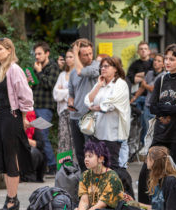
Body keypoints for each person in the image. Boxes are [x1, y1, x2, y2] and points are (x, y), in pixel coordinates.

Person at [137, 44, 176, 204]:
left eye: (172, 59)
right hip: (160, 133)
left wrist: (165, 108)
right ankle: (144, 207)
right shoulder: (161, 80)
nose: (167, 62)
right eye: (166, 58)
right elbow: (152, 106)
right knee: (146, 172)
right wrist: (169, 108)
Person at [0, 38, 34, 210]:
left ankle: (12, 200)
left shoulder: (14, 69)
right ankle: (11, 199)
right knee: (3, 158)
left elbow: (25, 94)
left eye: (0, 49)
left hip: (12, 116)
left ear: (9, 50)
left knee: (11, 158)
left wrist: (25, 117)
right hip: (0, 118)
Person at [84, 57, 130, 169]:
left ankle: (115, 186)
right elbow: (87, 100)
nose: (103, 69)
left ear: (115, 69)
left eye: (106, 66)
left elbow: (112, 103)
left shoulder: (120, 84)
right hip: (98, 131)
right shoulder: (100, 83)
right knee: (98, 165)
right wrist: (99, 85)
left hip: (113, 133)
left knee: (112, 165)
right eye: (102, 66)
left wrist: (97, 107)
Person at [75, 141, 124, 210]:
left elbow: (101, 205)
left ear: (101, 159)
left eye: (90, 156)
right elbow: (84, 200)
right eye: (85, 156)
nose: (86, 159)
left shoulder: (112, 177)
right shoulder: (85, 175)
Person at [68, 39, 100, 171]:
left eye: (90, 53)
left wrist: (75, 53)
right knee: (80, 153)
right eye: (85, 54)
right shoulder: (73, 72)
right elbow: (71, 93)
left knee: (91, 151)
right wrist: (70, 101)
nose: (88, 57)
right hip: (75, 115)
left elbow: (82, 72)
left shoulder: (96, 66)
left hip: (89, 117)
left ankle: (94, 179)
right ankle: (84, 178)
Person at [32, 42, 59, 174]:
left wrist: (39, 72)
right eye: (36, 54)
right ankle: (41, 167)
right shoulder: (36, 67)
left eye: (39, 53)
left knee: (43, 135)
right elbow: (33, 86)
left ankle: (52, 166)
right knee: (36, 136)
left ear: (47, 53)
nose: (37, 56)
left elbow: (49, 84)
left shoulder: (53, 67)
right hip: (34, 106)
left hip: (45, 107)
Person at [126, 41, 153, 142]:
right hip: (137, 96)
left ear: (149, 51)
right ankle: (136, 141)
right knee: (135, 120)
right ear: (138, 51)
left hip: (149, 97)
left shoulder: (153, 63)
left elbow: (150, 76)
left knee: (146, 121)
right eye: (141, 49)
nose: (143, 51)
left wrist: (140, 75)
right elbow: (130, 77)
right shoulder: (135, 64)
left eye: (145, 49)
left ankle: (143, 142)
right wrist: (143, 78)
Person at [53, 49, 76, 158]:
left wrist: (64, 91)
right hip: (63, 111)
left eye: (71, 57)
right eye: (66, 57)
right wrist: (68, 93)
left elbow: (77, 94)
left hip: (75, 111)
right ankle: (63, 168)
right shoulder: (62, 75)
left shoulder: (79, 74)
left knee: (74, 139)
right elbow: (56, 94)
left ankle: (76, 168)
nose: (68, 59)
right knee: (63, 139)